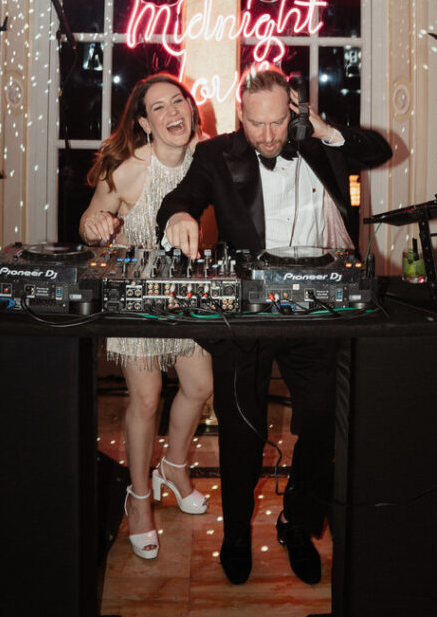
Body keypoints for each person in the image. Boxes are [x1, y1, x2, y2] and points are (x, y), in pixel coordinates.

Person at [156, 66, 392, 585]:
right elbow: (181, 198)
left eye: (278, 123)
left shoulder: (320, 145)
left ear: (294, 113)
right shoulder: (216, 154)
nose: (266, 136)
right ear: (240, 115)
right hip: (248, 316)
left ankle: (299, 524)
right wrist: (178, 217)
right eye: (255, 124)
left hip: (315, 311)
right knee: (242, 432)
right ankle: (236, 534)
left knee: (322, 422)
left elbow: (378, 151)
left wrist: (324, 130)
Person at [79, 74, 213, 561]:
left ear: (191, 110)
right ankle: (138, 497)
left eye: (179, 101)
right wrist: (96, 225)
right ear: (144, 123)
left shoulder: (208, 157)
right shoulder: (127, 169)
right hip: (133, 292)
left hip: (187, 292)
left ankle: (173, 468)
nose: (173, 111)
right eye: (159, 107)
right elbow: (89, 224)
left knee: (200, 385)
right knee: (147, 396)